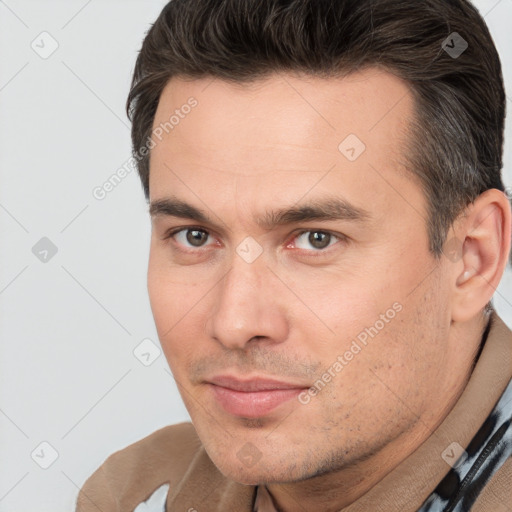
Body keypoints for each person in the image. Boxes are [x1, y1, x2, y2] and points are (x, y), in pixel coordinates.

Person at [76, 0, 512, 510]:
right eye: (194, 235)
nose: (235, 322)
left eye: (315, 239)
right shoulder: (138, 493)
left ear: (472, 258)